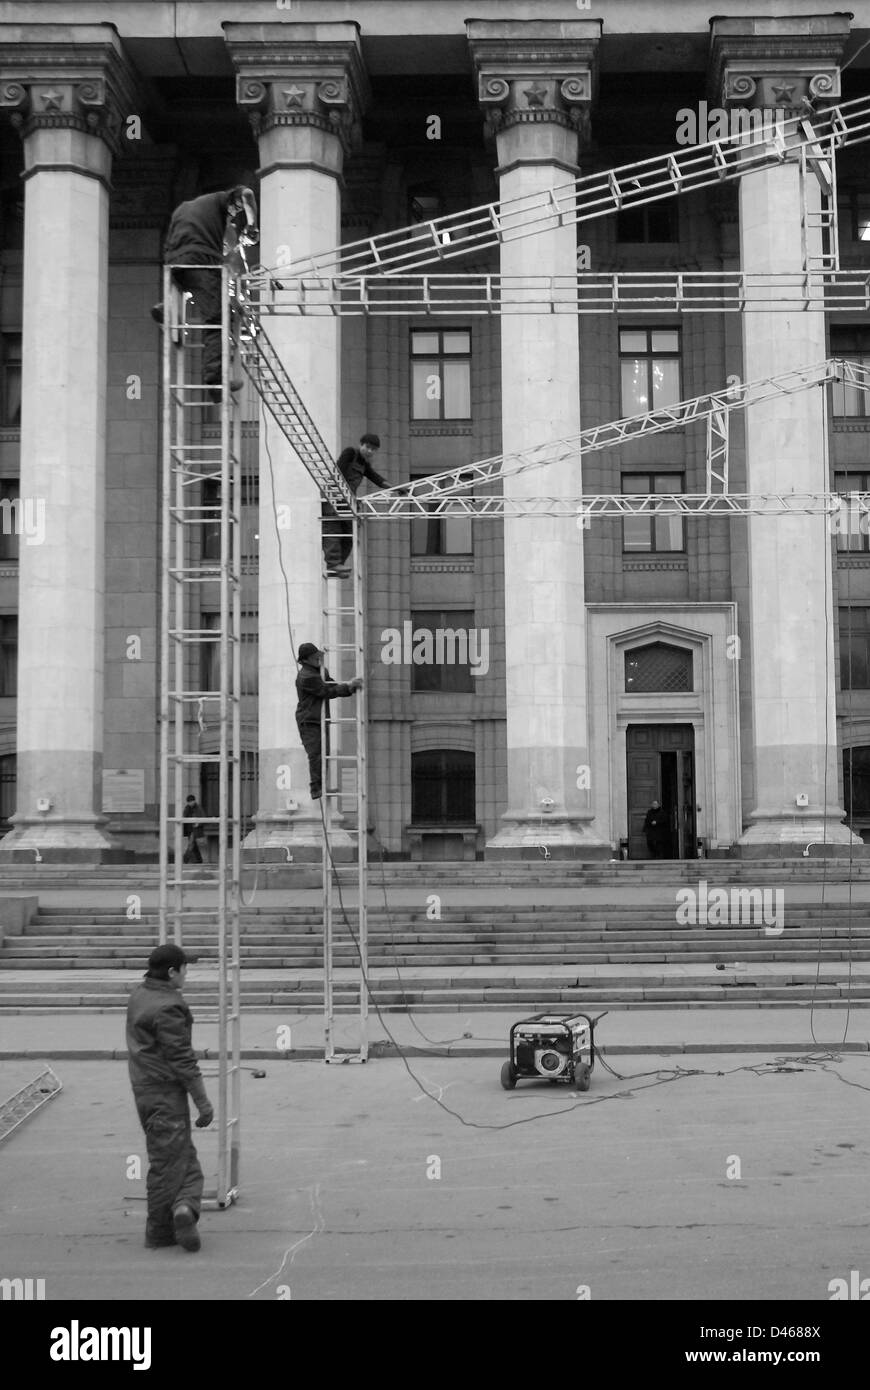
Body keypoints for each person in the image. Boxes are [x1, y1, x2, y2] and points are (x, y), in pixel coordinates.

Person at [126, 944, 214, 1253]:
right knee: (166, 1163)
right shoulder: (167, 1007)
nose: (188, 974)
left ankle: (185, 1208)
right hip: (163, 1092)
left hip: (144, 1088)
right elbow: (182, 1059)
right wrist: (202, 1101)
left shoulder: (139, 995)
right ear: (172, 972)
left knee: (182, 1157)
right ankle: (161, 1230)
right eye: (184, 968)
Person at [151, 186, 259, 400]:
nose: (232, 216)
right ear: (232, 203)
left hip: (175, 262)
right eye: (233, 212)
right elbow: (247, 194)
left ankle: (168, 308)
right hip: (200, 262)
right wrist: (252, 226)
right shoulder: (222, 202)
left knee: (189, 285)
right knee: (219, 316)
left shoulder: (185, 208)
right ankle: (216, 380)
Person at [295, 642, 363, 800]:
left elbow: (331, 684)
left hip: (319, 718)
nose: (319, 659)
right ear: (306, 660)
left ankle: (322, 786)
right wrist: (349, 687)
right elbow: (326, 691)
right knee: (316, 754)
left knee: (323, 753)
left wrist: (348, 686)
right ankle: (316, 788)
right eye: (315, 657)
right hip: (309, 720)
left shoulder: (319, 672)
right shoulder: (306, 677)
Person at [323, 433, 389, 577]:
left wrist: (394, 488)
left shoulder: (364, 465)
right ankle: (333, 564)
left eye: (373, 449)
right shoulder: (350, 453)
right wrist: (339, 491)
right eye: (367, 447)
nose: (370, 451)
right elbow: (338, 470)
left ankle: (337, 566)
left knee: (350, 532)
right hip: (334, 496)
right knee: (333, 529)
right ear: (361, 445)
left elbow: (375, 477)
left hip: (347, 501)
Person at [182, 793, 205, 864]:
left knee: (191, 845)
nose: (190, 803)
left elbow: (203, 818)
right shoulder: (187, 808)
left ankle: (185, 860)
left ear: (194, 801)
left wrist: (198, 824)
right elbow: (184, 818)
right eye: (189, 802)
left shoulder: (198, 808)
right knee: (194, 846)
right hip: (189, 830)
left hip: (195, 830)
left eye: (191, 801)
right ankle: (199, 860)